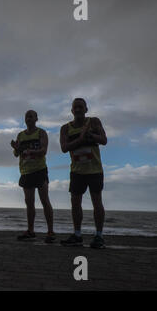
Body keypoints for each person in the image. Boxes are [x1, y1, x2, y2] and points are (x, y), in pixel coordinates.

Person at [59, 98, 107, 249]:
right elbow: (64, 147)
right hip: (77, 171)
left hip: (95, 170)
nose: (78, 110)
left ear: (86, 109)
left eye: (81, 107)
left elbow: (104, 140)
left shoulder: (94, 122)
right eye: (75, 107)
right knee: (75, 203)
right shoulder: (65, 128)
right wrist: (81, 139)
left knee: (97, 202)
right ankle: (77, 235)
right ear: (72, 111)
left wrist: (90, 136)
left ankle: (99, 236)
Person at [11, 110, 55, 243]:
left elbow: (44, 151)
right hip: (26, 172)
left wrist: (32, 151)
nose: (29, 119)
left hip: (40, 170)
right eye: (27, 117)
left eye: (31, 116)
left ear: (36, 118)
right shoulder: (20, 135)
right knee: (29, 202)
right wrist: (16, 148)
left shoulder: (41, 133)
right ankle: (30, 231)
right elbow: (16, 154)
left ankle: (50, 232)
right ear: (25, 120)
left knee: (44, 200)